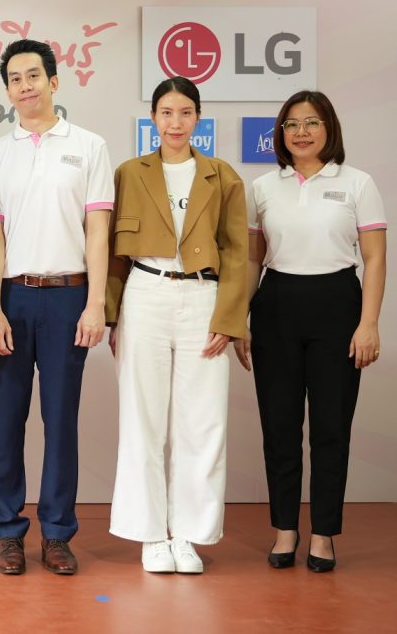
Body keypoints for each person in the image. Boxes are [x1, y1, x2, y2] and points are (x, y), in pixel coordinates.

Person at [234, 91, 386, 573]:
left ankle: (323, 534)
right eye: (292, 124)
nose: (301, 132)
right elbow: (253, 260)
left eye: (312, 122)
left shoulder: (358, 183)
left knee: (330, 428)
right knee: (279, 426)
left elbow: (375, 259)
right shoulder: (263, 187)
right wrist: (240, 319)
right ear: (280, 133)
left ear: (329, 128)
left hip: (338, 305)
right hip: (276, 305)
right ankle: (285, 528)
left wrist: (368, 323)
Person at [0, 39, 113, 575]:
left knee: (61, 420)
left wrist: (96, 303)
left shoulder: (90, 146)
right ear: (7, 90)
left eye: (33, 75)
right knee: (7, 419)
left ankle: (57, 533)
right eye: (15, 78)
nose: (25, 85)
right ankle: (8, 533)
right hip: (12, 296)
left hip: (69, 297)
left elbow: (98, 231)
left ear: (54, 82)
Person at [104, 76, 248, 574]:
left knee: (202, 422)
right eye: (166, 112)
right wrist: (111, 315)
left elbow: (237, 252)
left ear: (198, 119)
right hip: (145, 293)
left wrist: (229, 318)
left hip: (204, 298)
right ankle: (150, 534)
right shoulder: (129, 173)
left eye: (185, 112)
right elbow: (113, 252)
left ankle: (188, 534)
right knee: (142, 420)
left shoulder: (222, 176)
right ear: (153, 119)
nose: (175, 122)